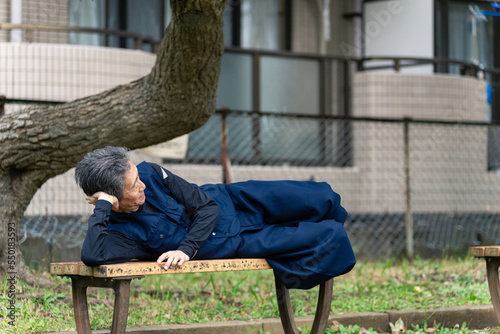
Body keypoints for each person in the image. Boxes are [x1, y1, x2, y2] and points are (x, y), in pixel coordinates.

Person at [75, 146, 355, 289]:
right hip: (237, 242)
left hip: (237, 200)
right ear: (114, 198)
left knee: (321, 196)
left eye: (137, 177)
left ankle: (314, 218)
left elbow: (206, 207)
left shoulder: (150, 172)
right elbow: (92, 255)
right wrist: (103, 207)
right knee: (329, 236)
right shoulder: (119, 232)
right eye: (134, 186)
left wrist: (185, 249)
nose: (142, 185)